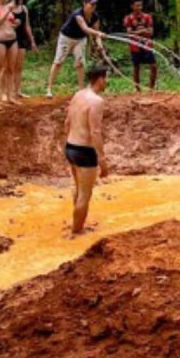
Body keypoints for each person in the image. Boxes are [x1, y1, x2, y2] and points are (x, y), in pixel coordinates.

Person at [64, 63, 110, 235]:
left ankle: (77, 225)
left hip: (70, 147)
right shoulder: (97, 101)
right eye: (106, 79)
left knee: (78, 189)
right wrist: (102, 160)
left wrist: (69, 141)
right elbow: (95, 132)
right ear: (100, 79)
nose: (107, 82)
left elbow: (67, 122)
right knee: (85, 194)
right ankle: (76, 232)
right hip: (84, 151)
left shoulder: (78, 94)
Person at [45, 0, 105, 98]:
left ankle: (81, 90)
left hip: (80, 39)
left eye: (95, 4)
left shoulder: (95, 17)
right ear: (84, 4)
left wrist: (100, 45)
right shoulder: (77, 14)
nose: (93, 6)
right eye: (91, 4)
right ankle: (49, 88)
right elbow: (86, 29)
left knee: (80, 63)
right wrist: (98, 33)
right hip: (66, 38)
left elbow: (96, 34)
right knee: (58, 61)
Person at [123, 0, 157, 91]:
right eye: (137, 6)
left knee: (153, 65)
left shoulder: (147, 17)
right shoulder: (128, 18)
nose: (139, 8)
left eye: (140, 6)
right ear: (132, 6)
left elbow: (151, 32)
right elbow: (129, 34)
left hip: (147, 44)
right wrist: (143, 31)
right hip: (135, 46)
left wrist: (137, 32)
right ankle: (138, 89)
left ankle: (151, 88)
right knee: (136, 67)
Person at [9, 0, 37, 99]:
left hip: (21, 38)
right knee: (10, 66)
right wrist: (13, 25)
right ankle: (9, 91)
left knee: (19, 66)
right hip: (10, 38)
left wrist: (32, 41)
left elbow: (27, 26)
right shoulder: (8, 8)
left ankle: (17, 90)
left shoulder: (24, 8)